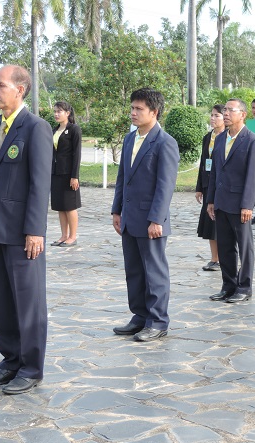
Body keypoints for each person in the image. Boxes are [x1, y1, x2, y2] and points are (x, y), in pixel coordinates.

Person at [0, 64, 52, 394]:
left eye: (0, 85)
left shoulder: (36, 127)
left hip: (23, 233)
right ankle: (10, 362)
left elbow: (39, 183)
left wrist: (35, 230)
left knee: (28, 302)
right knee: (3, 300)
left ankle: (31, 368)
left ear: (19, 90)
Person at [111, 88, 179, 342]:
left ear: (154, 112)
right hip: (129, 217)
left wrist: (156, 219)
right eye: (132, 108)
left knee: (154, 272)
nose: (133, 112)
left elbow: (165, 185)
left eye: (139, 109)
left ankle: (158, 321)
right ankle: (139, 316)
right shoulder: (130, 139)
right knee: (135, 271)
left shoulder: (165, 142)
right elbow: (123, 178)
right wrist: (116, 209)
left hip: (151, 220)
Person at [207, 99, 255, 303]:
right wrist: (211, 199)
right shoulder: (220, 138)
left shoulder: (253, 141)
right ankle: (228, 285)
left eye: (231, 110)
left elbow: (253, 176)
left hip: (240, 204)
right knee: (225, 246)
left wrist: (247, 205)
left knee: (245, 247)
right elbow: (215, 172)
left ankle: (245, 287)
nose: (226, 113)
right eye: (225, 110)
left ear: (243, 114)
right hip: (221, 201)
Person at [195, 104, 225, 271]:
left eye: (217, 115)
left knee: (220, 224)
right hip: (208, 186)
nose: (213, 118)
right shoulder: (208, 137)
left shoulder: (228, 137)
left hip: (222, 187)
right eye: (212, 115)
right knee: (209, 223)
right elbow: (203, 163)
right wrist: (199, 187)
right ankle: (214, 258)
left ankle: (224, 258)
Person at [50, 101, 81, 248]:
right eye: (55, 111)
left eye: (59, 111)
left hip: (69, 174)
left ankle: (72, 237)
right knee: (60, 206)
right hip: (56, 172)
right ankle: (64, 235)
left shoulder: (74, 129)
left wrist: (75, 176)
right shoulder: (54, 130)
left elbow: (77, 154)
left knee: (69, 206)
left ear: (67, 113)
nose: (56, 114)